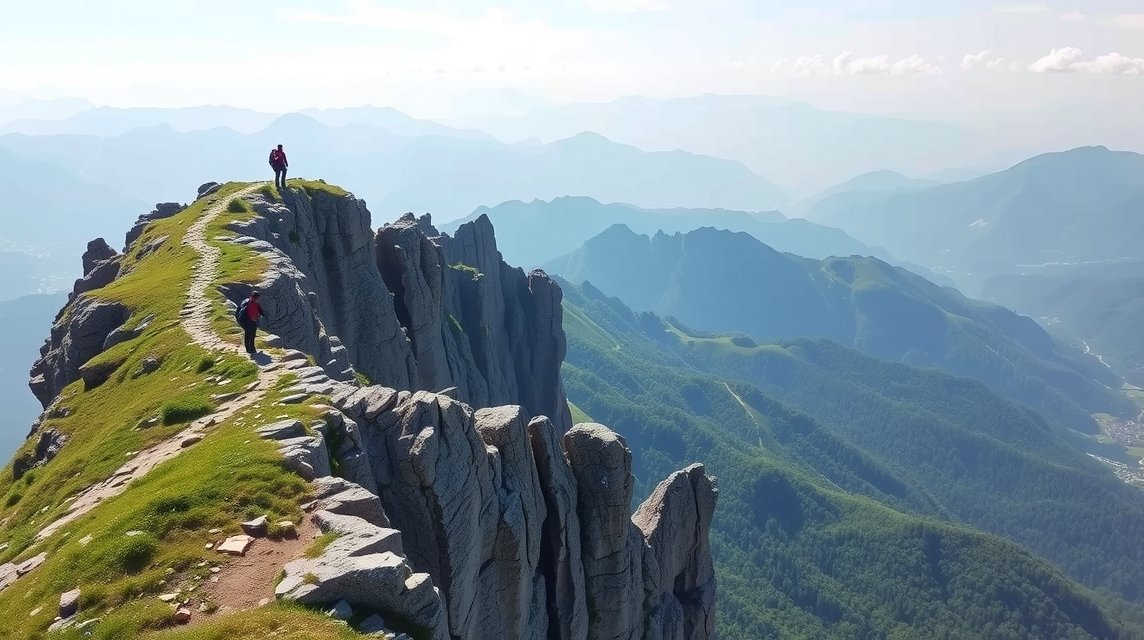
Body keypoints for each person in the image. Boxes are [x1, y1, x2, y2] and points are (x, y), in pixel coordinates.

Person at [235, 290, 266, 355]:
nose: (257, 299)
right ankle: (248, 350)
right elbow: (242, 313)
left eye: (257, 298)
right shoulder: (247, 303)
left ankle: (252, 348)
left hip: (253, 320)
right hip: (246, 320)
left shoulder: (255, 303)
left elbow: (260, 310)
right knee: (248, 334)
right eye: (256, 297)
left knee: (252, 334)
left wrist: (262, 314)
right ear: (253, 297)